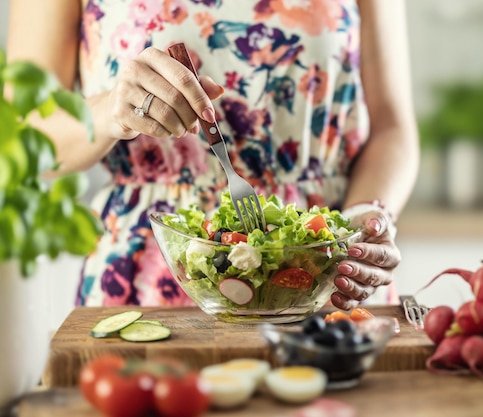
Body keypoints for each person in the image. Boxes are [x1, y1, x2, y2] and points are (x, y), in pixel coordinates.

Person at [6, 0, 418, 310]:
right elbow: (22, 135)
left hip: (322, 265)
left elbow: (392, 128)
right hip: (153, 267)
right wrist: (112, 109)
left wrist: (365, 216)